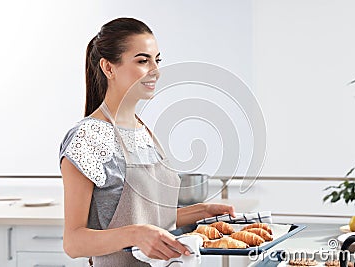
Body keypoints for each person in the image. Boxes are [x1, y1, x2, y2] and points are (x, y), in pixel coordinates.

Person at [59, 17, 235, 267]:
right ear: (108, 68)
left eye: (157, 60)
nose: (155, 70)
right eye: (143, 60)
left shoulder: (143, 131)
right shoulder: (88, 137)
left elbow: (149, 219)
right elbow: (74, 242)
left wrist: (199, 213)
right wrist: (134, 235)